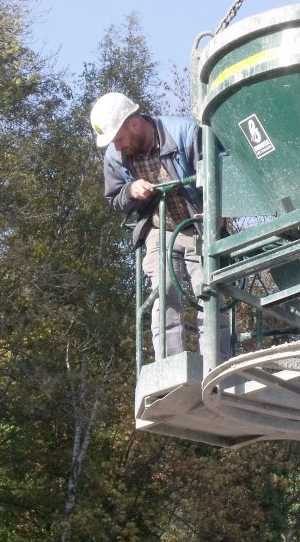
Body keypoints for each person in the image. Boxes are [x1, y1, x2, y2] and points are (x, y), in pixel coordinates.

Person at [91, 91, 222, 359]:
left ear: (134, 123)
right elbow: (114, 199)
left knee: (209, 292)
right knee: (164, 293)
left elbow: (221, 174)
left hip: (199, 228)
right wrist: (130, 190)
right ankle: (170, 366)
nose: (117, 146)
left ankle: (216, 363)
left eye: (119, 139)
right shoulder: (115, 158)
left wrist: (216, 213)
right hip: (159, 230)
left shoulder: (185, 133)